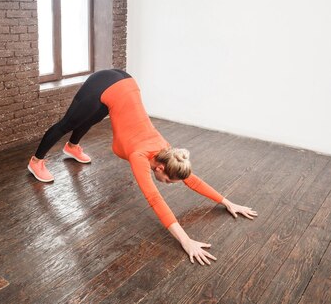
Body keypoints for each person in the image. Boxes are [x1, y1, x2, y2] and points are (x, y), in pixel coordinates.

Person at [27, 69, 257, 265]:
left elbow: (191, 179)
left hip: (124, 83)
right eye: (168, 181)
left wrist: (227, 202)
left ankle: (72, 147)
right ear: (160, 169)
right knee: (68, 122)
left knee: (90, 118)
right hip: (106, 83)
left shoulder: (168, 152)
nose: (167, 185)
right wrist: (185, 241)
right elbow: (155, 200)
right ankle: (36, 162)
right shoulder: (140, 156)